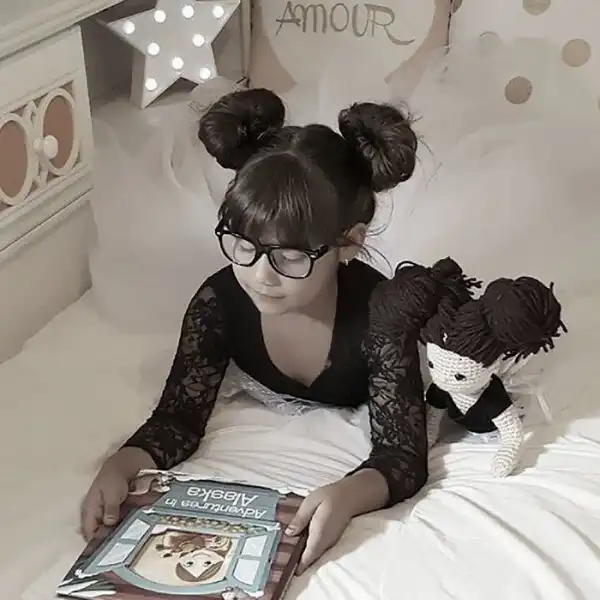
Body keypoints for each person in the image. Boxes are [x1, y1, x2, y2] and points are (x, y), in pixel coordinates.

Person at [80, 87, 426, 574]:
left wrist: (349, 494)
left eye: (290, 257)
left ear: (349, 243)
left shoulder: (381, 316)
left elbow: (402, 452)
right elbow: (179, 418)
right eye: (244, 245)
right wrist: (120, 465)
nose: (261, 275)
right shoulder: (219, 301)